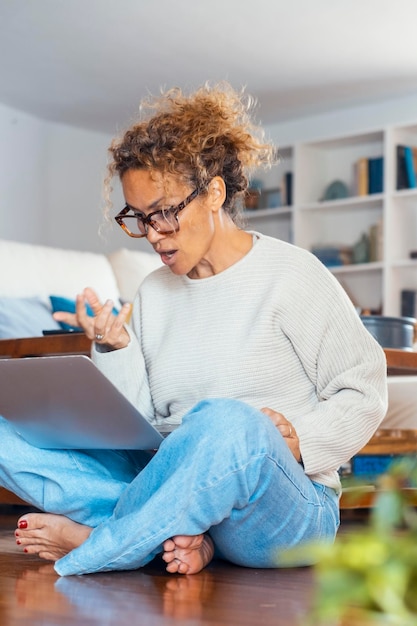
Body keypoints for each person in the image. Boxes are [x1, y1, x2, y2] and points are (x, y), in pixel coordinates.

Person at [2, 82, 387, 577]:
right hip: (171, 487)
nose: (154, 234)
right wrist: (115, 347)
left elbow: (365, 390)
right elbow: (136, 432)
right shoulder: (154, 293)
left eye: (164, 212)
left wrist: (299, 441)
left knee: (228, 423)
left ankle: (106, 544)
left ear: (214, 194)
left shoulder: (294, 274)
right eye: (138, 219)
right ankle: (172, 537)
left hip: (283, 506)